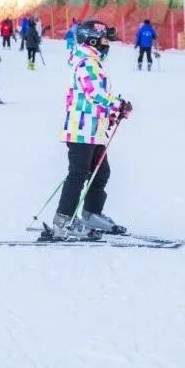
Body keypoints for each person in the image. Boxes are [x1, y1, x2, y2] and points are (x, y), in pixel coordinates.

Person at [48, 20, 132, 239]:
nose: (107, 45)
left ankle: (91, 212)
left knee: (101, 172)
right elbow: (93, 92)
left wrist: (111, 114)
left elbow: (91, 99)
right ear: (92, 40)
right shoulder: (86, 62)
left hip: (94, 129)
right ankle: (63, 221)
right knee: (78, 174)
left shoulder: (92, 61)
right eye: (105, 40)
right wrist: (117, 104)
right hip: (81, 129)